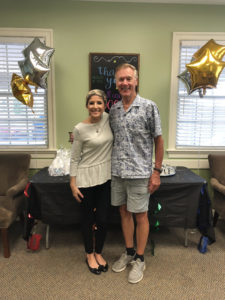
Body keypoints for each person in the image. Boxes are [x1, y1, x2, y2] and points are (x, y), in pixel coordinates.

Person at [109, 63, 164, 284]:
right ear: (116, 83)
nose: (124, 83)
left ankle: (140, 258)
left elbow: (158, 140)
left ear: (136, 81)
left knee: (141, 215)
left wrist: (157, 171)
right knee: (124, 212)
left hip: (141, 172)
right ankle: (129, 251)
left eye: (128, 79)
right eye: (121, 79)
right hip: (118, 172)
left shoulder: (149, 107)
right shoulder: (112, 110)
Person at [70, 89, 113, 275]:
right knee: (88, 220)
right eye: (91, 103)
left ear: (105, 105)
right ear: (87, 106)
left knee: (103, 219)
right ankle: (89, 254)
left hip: (105, 177)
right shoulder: (80, 128)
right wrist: (72, 183)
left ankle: (99, 252)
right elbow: (74, 158)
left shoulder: (110, 120)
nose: (95, 106)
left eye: (99, 103)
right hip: (85, 178)